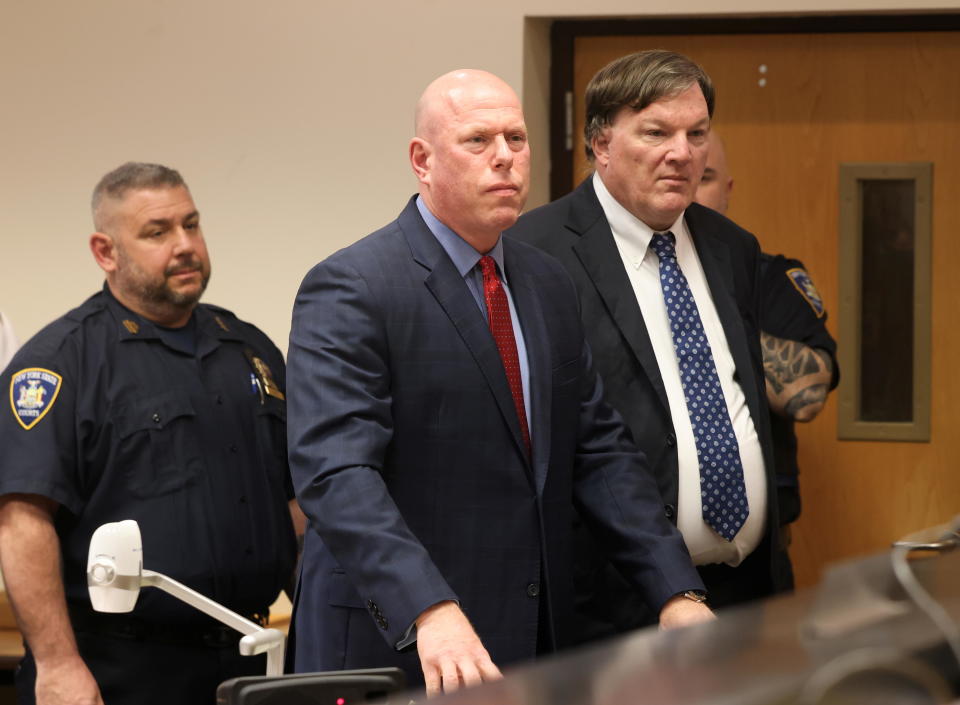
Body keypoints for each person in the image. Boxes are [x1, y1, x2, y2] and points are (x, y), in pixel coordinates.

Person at [286, 69, 713, 697]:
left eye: (516, 138)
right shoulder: (354, 287)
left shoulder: (544, 283)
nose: (505, 158)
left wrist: (674, 590)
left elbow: (599, 452)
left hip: (529, 638)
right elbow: (336, 475)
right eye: (478, 140)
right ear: (421, 161)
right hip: (403, 642)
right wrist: (427, 607)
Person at [508, 50, 784, 643]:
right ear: (601, 144)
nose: (681, 153)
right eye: (656, 132)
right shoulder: (533, 253)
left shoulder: (731, 246)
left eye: (697, 133)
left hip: (747, 592)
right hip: (613, 604)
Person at [0, 162, 302, 705]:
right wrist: (57, 664)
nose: (185, 245)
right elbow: (23, 522)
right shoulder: (61, 364)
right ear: (105, 251)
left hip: (252, 657)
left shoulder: (249, 350)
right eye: (157, 232)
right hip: (122, 669)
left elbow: (296, 501)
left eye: (192, 224)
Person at [695, 131, 839, 588]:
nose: (689, 188)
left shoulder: (768, 275)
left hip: (757, 559)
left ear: (727, 192)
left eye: (706, 177)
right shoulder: (613, 279)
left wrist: (700, 313)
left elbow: (808, 395)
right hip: (633, 555)